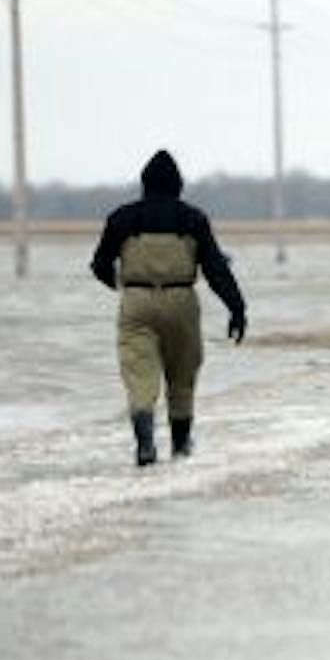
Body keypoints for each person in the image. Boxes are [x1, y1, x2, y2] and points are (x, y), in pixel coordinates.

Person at [90, 149, 248, 465]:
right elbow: (216, 269)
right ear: (178, 184)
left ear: (144, 183)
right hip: (182, 301)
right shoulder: (193, 218)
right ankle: (180, 446)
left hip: (137, 300)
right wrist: (237, 309)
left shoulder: (121, 217)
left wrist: (122, 286)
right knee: (182, 374)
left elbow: (99, 264)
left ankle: (145, 444)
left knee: (139, 373)